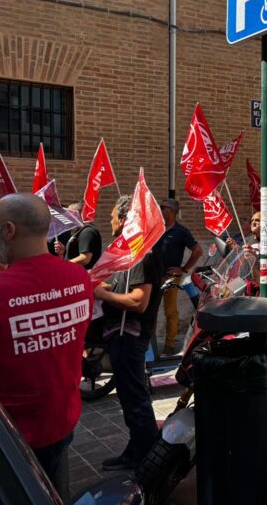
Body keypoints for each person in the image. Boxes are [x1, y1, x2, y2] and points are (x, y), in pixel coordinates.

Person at [0, 194, 92, 493]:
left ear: (8, 230)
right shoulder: (79, 277)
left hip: (9, 432)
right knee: (55, 490)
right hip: (62, 418)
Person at [95, 195, 163, 470]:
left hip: (130, 336)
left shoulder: (140, 254)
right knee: (129, 395)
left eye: (113, 216)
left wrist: (100, 293)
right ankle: (138, 448)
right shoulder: (127, 253)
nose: (110, 220)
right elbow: (118, 287)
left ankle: (145, 457)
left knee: (135, 398)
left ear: (124, 220)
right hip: (120, 335)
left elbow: (138, 300)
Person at [154, 198, 202, 355]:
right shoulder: (156, 228)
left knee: (170, 311)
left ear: (173, 212)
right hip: (153, 275)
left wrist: (184, 269)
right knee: (151, 311)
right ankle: (150, 346)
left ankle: (169, 345)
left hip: (170, 278)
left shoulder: (181, 232)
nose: (160, 209)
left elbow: (197, 250)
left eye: (164, 207)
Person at [53, 202, 103, 270]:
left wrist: (64, 265)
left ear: (78, 213)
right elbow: (75, 255)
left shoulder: (87, 231)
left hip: (85, 276)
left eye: (69, 214)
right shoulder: (78, 232)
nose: (67, 217)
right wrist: (63, 252)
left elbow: (85, 258)